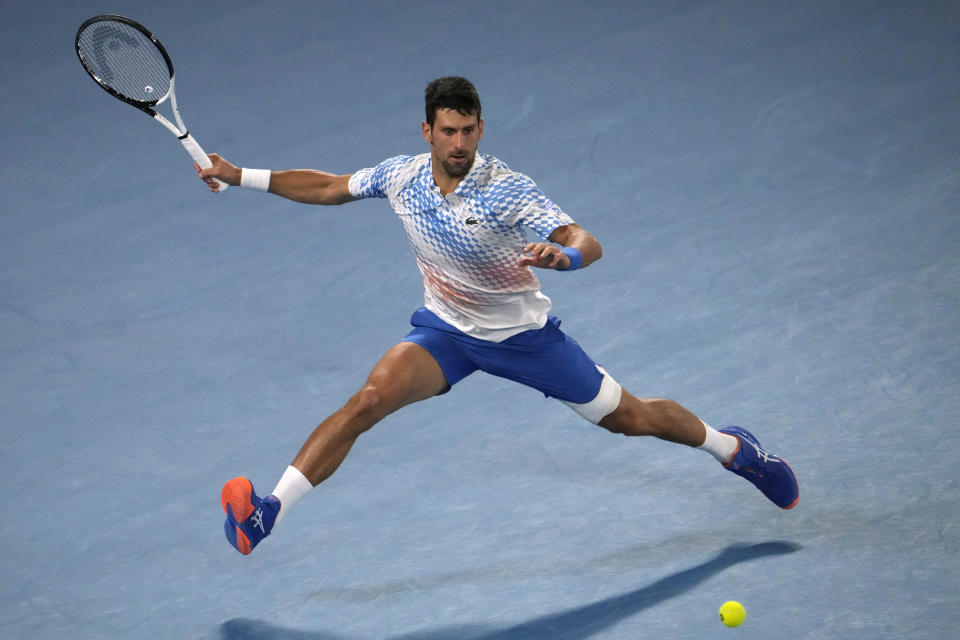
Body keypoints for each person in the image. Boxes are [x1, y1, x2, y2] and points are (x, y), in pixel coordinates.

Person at [197, 77, 799, 556]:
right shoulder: (401, 176)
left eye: (469, 132)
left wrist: (563, 255)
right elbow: (329, 186)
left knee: (629, 418)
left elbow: (585, 238)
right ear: (427, 131)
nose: (460, 144)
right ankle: (265, 514)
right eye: (448, 132)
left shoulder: (507, 188)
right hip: (446, 334)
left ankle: (734, 450)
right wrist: (238, 174)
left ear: (481, 129)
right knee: (366, 403)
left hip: (523, 340)